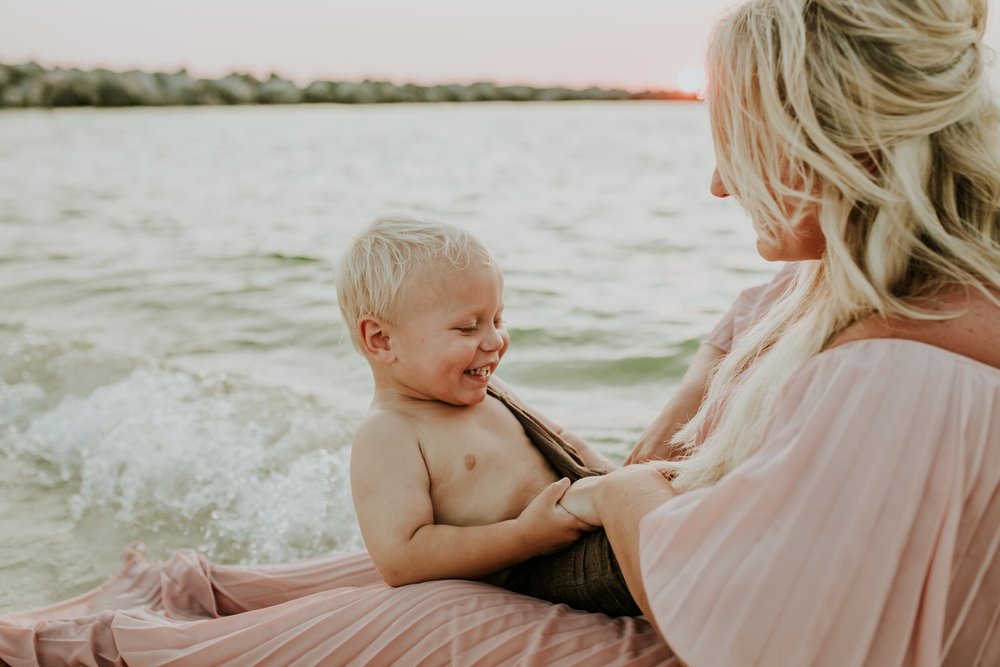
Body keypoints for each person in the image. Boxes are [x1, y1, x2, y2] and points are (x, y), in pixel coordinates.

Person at [1, 0, 998, 664]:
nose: (717, 183)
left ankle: (97, 652)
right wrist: (602, 491)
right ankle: (152, 613)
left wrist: (617, 499)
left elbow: (761, 637)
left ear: (838, 146)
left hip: (707, 637)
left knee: (423, 612)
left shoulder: (899, 369)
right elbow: (693, 464)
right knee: (428, 555)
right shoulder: (821, 303)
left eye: (738, 147)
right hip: (695, 598)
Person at [336, 216, 639, 616]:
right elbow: (402, 556)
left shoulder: (489, 392)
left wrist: (616, 482)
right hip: (541, 569)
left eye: (497, 320)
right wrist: (526, 536)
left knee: (665, 485)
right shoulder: (391, 432)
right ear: (382, 340)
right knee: (654, 518)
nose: (495, 340)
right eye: (467, 328)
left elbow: (568, 443)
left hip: (586, 522)